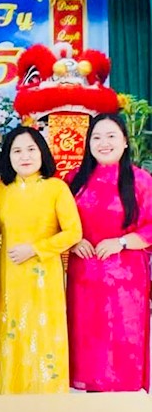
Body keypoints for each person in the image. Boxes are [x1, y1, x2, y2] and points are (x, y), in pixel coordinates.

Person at [0, 126, 81, 394]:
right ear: (8, 157)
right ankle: (11, 410)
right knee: (12, 343)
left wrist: (36, 249)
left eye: (31, 149)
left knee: (45, 343)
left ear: (42, 153)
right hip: (9, 282)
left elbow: (73, 232)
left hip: (45, 283)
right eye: (17, 151)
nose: (25, 156)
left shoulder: (56, 188)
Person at [66, 113, 152, 392]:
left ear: (125, 141)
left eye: (111, 136)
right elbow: (57, 223)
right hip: (84, 281)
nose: (104, 143)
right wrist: (73, 241)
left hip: (126, 284)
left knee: (123, 348)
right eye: (97, 137)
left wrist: (122, 242)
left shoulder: (141, 180)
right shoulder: (73, 180)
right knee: (89, 351)